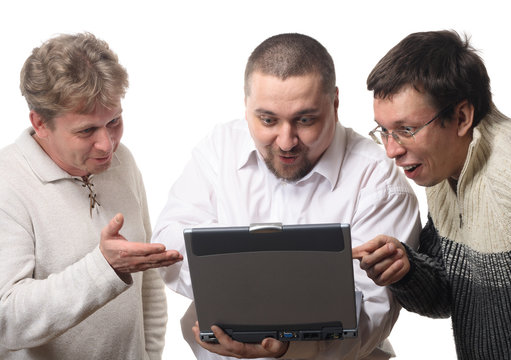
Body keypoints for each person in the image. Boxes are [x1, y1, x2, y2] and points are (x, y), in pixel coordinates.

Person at [152, 33, 421, 360]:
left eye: (305, 120)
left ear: (335, 104)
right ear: (246, 104)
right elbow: (168, 243)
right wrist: (267, 286)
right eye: (267, 120)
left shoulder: (379, 182)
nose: (286, 141)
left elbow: (372, 316)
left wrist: (289, 345)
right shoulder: (219, 148)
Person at [354, 30, 511, 359]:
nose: (391, 150)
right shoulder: (444, 172)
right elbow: (445, 298)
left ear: (462, 117)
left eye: (406, 130)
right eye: (384, 131)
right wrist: (405, 269)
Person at [0, 33, 181, 359]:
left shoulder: (122, 161)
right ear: (40, 123)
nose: (107, 144)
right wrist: (103, 268)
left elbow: (148, 285)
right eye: (86, 130)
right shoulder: (7, 183)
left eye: (114, 121)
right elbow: (7, 320)